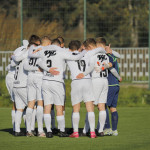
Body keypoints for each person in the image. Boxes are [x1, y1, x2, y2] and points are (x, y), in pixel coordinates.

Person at [28, 41, 86, 138]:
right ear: (58, 45)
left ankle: (49, 131)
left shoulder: (43, 51)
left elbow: (36, 60)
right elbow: (76, 57)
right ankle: (62, 131)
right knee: (59, 107)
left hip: (45, 81)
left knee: (47, 107)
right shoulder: (61, 51)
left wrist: (48, 69)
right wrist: (85, 51)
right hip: (57, 82)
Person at [77, 38, 121, 136]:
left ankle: (86, 130)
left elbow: (91, 67)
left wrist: (83, 74)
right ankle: (101, 130)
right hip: (105, 81)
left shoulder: (93, 55)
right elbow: (111, 67)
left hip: (96, 81)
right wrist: (119, 76)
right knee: (102, 106)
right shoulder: (105, 55)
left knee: (91, 106)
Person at [67, 40, 106, 138]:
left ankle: (75, 132)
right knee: (90, 108)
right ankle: (92, 132)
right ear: (80, 47)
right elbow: (101, 48)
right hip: (87, 80)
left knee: (76, 109)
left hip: (76, 81)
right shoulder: (87, 54)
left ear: (69, 48)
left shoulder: (68, 54)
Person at [24, 36, 50, 137]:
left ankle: (29, 130)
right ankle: (40, 130)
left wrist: (33, 68)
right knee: (40, 103)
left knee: (30, 103)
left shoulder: (31, 50)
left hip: (30, 77)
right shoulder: (44, 50)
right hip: (39, 78)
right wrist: (39, 68)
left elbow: (25, 66)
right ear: (47, 44)